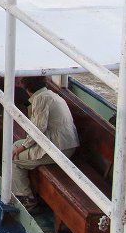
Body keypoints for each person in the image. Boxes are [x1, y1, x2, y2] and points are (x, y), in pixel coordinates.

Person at [12, 76, 79, 212]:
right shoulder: (50, 94)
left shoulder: (40, 99)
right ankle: (26, 190)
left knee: (13, 159)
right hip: (66, 144)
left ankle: (27, 198)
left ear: (27, 89)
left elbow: (38, 130)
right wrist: (22, 145)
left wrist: (23, 147)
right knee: (14, 146)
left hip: (58, 149)